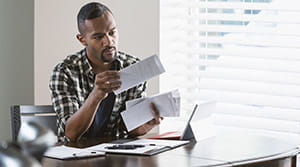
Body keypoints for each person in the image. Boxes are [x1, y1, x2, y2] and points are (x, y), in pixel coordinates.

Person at [49, 2, 161, 142]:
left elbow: (129, 129)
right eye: (98, 37)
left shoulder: (132, 67)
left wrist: (144, 126)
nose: (109, 42)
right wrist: (96, 95)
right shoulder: (65, 72)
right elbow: (71, 134)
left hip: (116, 154)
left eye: (112, 32)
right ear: (82, 39)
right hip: (75, 154)